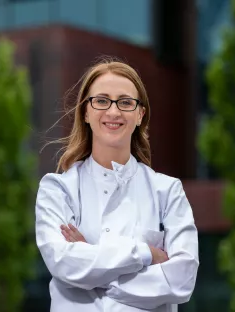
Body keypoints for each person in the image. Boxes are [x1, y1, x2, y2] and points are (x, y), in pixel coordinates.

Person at [35, 58, 199, 312]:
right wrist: (146, 255)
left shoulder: (168, 191)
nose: (113, 112)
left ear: (139, 114)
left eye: (125, 102)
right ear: (86, 112)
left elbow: (182, 279)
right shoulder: (57, 190)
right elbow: (63, 263)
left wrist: (93, 270)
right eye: (101, 101)